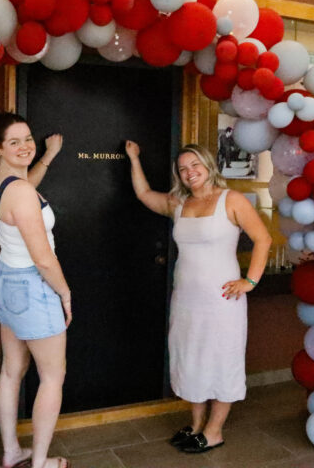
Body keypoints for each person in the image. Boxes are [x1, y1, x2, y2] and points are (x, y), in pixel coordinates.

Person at [125, 141, 271, 454]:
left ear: (208, 166)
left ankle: (214, 431)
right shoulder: (179, 203)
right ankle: (195, 425)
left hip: (222, 302)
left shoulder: (230, 200)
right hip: (187, 300)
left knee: (221, 360)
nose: (190, 173)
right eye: (183, 169)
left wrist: (250, 280)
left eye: (195, 165)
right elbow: (143, 194)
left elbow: (263, 238)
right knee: (190, 359)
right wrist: (134, 158)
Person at [0, 111, 72, 468]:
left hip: (5, 281)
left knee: (11, 370)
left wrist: (47, 156)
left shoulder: (3, 180)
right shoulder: (21, 192)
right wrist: (64, 293)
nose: (24, 147)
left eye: (27, 139)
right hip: (31, 285)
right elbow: (44, 259)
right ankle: (39, 463)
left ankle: (12, 452)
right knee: (53, 376)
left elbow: (27, 187)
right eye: (14, 142)